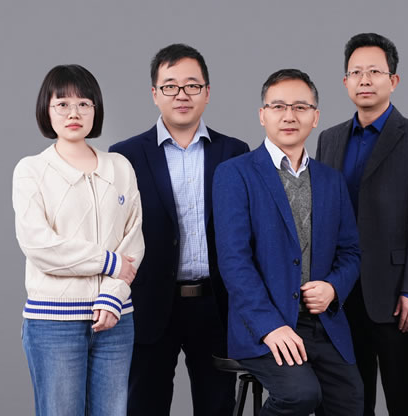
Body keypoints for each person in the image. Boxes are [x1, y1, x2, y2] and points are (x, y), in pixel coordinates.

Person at [213, 69, 363, 416]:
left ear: (315, 117)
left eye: (300, 107)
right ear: (262, 115)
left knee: (351, 402)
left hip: (322, 322)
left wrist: (333, 287)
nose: (289, 116)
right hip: (264, 323)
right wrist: (270, 326)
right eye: (278, 106)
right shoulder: (235, 174)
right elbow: (235, 262)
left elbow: (351, 252)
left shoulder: (331, 180)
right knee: (300, 395)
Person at [109, 44, 249, 415]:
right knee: (144, 405)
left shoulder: (234, 152)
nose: (182, 94)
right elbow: (114, 233)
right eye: (170, 86)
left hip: (216, 304)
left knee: (218, 406)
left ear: (207, 92)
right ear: (155, 94)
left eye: (192, 85)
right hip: (150, 302)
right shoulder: (125, 156)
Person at [316, 32, 408, 415]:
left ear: (394, 80)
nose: (365, 80)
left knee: (405, 400)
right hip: (340, 294)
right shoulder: (329, 139)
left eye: (374, 71)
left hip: (395, 295)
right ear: (345, 82)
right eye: (356, 72)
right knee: (349, 401)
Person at [13, 64, 144, 415]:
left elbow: (133, 239)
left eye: (84, 104)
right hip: (53, 324)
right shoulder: (31, 170)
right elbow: (39, 245)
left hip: (116, 320)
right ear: (46, 110)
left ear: (95, 110)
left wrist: (113, 297)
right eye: (62, 104)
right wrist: (110, 263)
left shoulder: (120, 167)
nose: (74, 113)